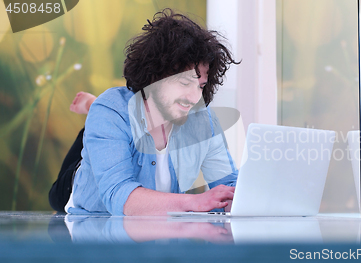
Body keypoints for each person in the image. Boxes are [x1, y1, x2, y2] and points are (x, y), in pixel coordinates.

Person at [49, 8, 240, 216]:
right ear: (154, 77)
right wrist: (196, 201)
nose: (194, 98)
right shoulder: (112, 110)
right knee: (102, 120)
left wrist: (248, 196)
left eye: (200, 86)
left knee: (109, 120)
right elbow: (119, 196)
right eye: (185, 82)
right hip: (75, 190)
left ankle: (94, 111)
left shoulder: (204, 119)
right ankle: (93, 110)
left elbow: (230, 187)